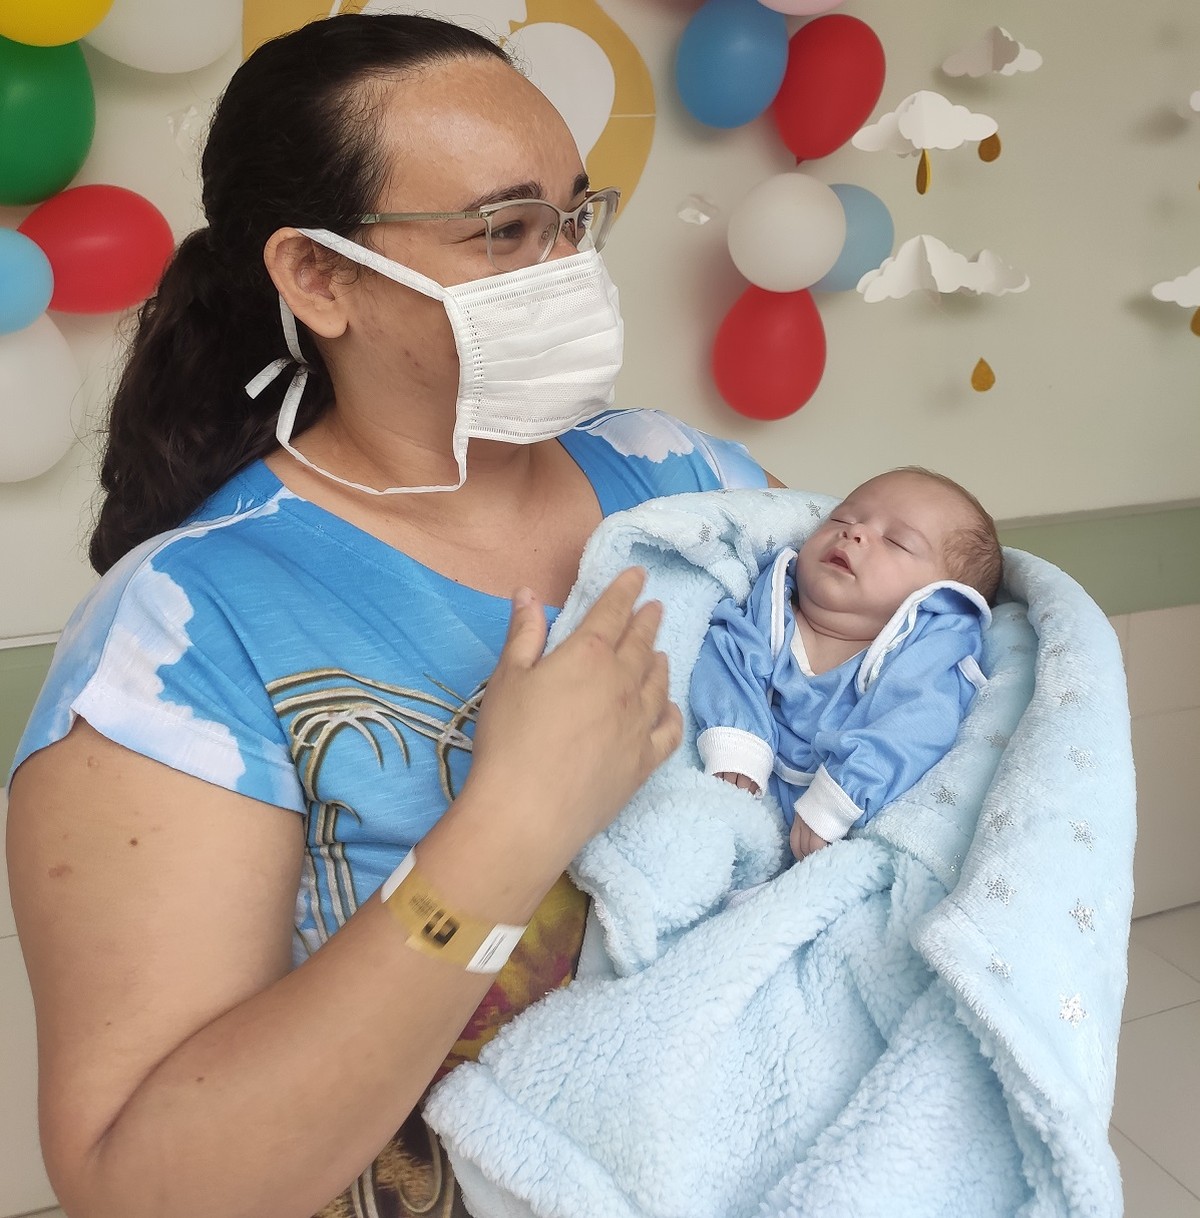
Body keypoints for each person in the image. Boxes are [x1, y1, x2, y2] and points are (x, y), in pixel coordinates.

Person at [4, 15, 779, 1218]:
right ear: (320, 278)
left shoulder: (692, 481)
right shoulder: (184, 630)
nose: (568, 267)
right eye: (504, 230)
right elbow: (142, 1187)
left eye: (576, 218)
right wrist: (512, 826)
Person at [690, 467, 1002, 862]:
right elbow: (727, 656)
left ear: (940, 594)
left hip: (846, 826)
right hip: (742, 805)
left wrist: (840, 797)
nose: (854, 533)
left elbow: (916, 723)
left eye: (896, 541)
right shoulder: (772, 605)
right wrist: (736, 747)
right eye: (842, 518)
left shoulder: (924, 650)